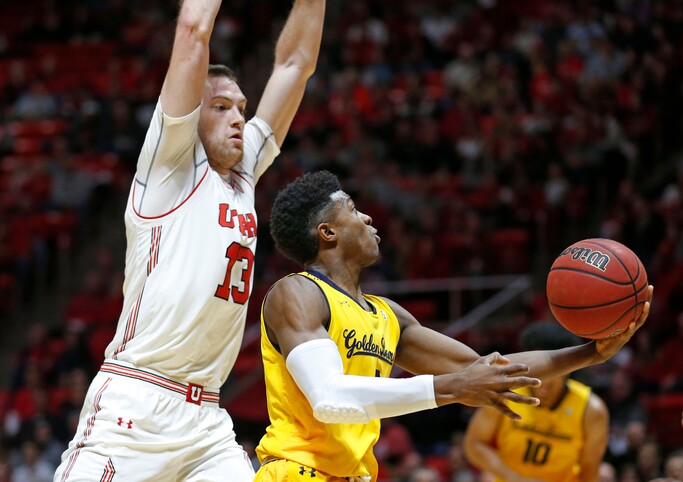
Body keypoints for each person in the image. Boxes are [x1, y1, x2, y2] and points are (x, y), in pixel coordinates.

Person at [54, 0, 326, 480]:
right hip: (134, 407)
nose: (239, 118)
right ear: (190, 115)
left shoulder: (242, 173)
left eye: (241, 108)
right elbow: (194, 30)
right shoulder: (168, 167)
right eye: (221, 108)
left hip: (207, 422)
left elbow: (294, 64)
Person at [253, 171, 653, 482]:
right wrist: (451, 389)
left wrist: (591, 353)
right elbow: (328, 396)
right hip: (295, 471)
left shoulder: (387, 315)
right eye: (354, 209)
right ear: (328, 232)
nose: (368, 216)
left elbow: (488, 368)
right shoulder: (296, 293)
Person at [464, 321, 610, 482]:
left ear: (568, 370)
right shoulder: (506, 392)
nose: (544, 382)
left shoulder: (591, 409)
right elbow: (474, 445)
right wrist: (515, 478)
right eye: (540, 372)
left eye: (552, 373)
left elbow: (589, 471)